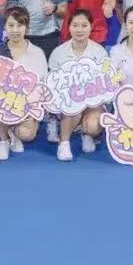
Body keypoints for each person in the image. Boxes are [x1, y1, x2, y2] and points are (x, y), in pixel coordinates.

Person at [0, 6, 48, 161]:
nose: (15, 30)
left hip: (27, 105)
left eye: (20, 25)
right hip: (3, 103)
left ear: (27, 27)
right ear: (5, 27)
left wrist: (26, 106)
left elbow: (41, 84)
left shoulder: (37, 53)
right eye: (11, 25)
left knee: (26, 135)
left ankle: (14, 132)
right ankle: (3, 141)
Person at [48, 10, 110, 161]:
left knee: (93, 125)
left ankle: (86, 133)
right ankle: (64, 144)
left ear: (91, 27)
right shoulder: (58, 53)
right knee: (73, 108)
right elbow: (52, 84)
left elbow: (106, 81)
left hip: (93, 102)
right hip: (67, 102)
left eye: (84, 25)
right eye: (75, 25)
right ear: (68, 27)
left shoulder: (100, 52)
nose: (79, 30)